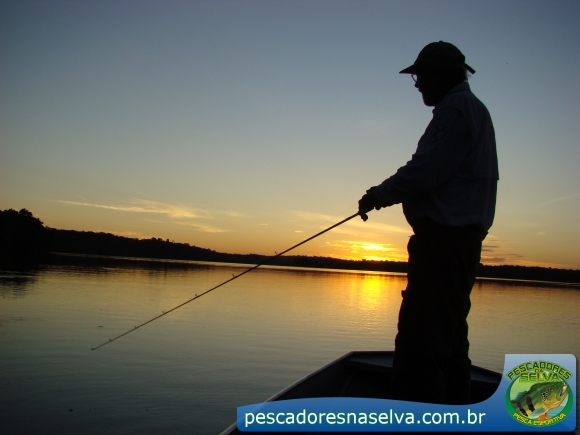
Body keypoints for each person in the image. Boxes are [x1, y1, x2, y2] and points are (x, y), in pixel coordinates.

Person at [358, 41, 499, 404]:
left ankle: (418, 420)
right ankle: (455, 414)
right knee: (450, 340)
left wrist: (378, 195)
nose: (417, 84)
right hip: (452, 245)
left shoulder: (456, 110)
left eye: (421, 76)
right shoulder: (466, 110)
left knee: (420, 343)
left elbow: (425, 170)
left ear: (442, 75)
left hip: (443, 246)